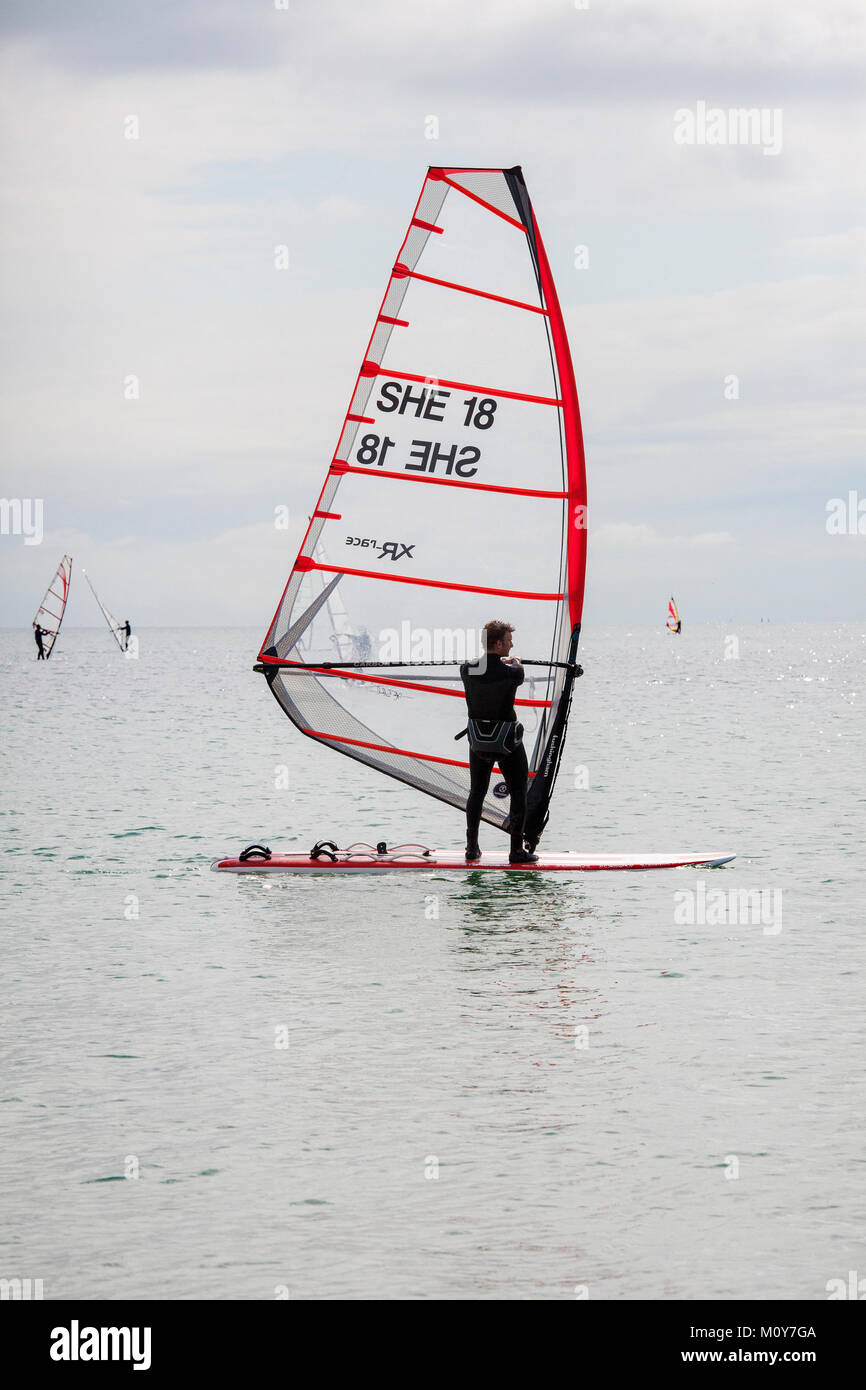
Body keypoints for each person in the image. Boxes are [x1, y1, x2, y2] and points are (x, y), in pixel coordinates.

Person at [460, 620, 537, 865]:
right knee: (518, 790)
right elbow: (517, 669)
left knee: (477, 792)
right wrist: (514, 660)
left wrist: (498, 660)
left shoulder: (467, 669)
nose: (512, 644)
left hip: (478, 743)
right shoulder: (512, 671)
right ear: (498, 643)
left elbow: (478, 665)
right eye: (508, 641)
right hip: (506, 744)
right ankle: (516, 851)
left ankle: (472, 848)